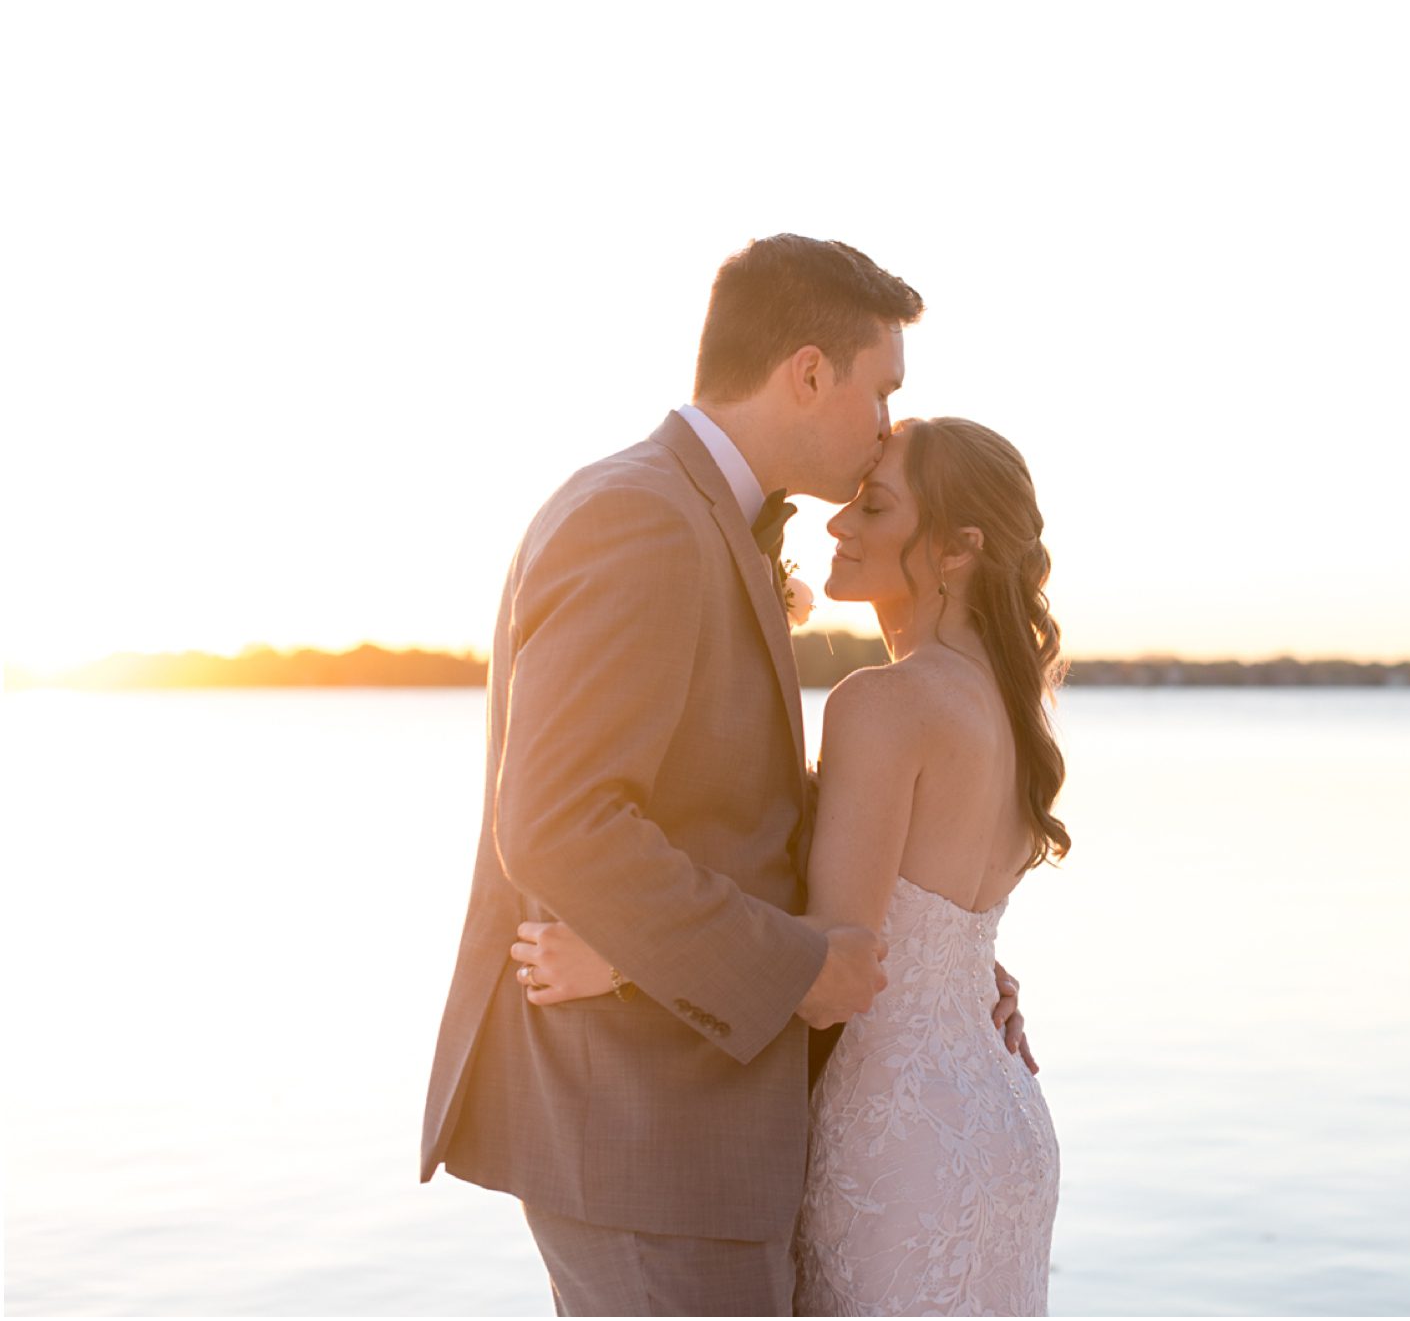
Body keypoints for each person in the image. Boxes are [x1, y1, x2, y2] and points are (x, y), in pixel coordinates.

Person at [419, 235, 1028, 1317]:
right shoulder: (639, 516)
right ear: (806, 373)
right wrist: (794, 968)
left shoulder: (701, 519)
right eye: (880, 389)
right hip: (645, 1128)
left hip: (709, 1132)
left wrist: (946, 959)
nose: (885, 424)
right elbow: (558, 824)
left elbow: (734, 810)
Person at [520, 416, 1067, 1314]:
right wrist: (978, 975)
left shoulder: (885, 703)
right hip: (1000, 1114)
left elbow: (832, 963)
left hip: (899, 1135)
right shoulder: (1012, 713)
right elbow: (927, 923)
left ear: (959, 550)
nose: (837, 525)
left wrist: (620, 960)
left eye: (876, 508)